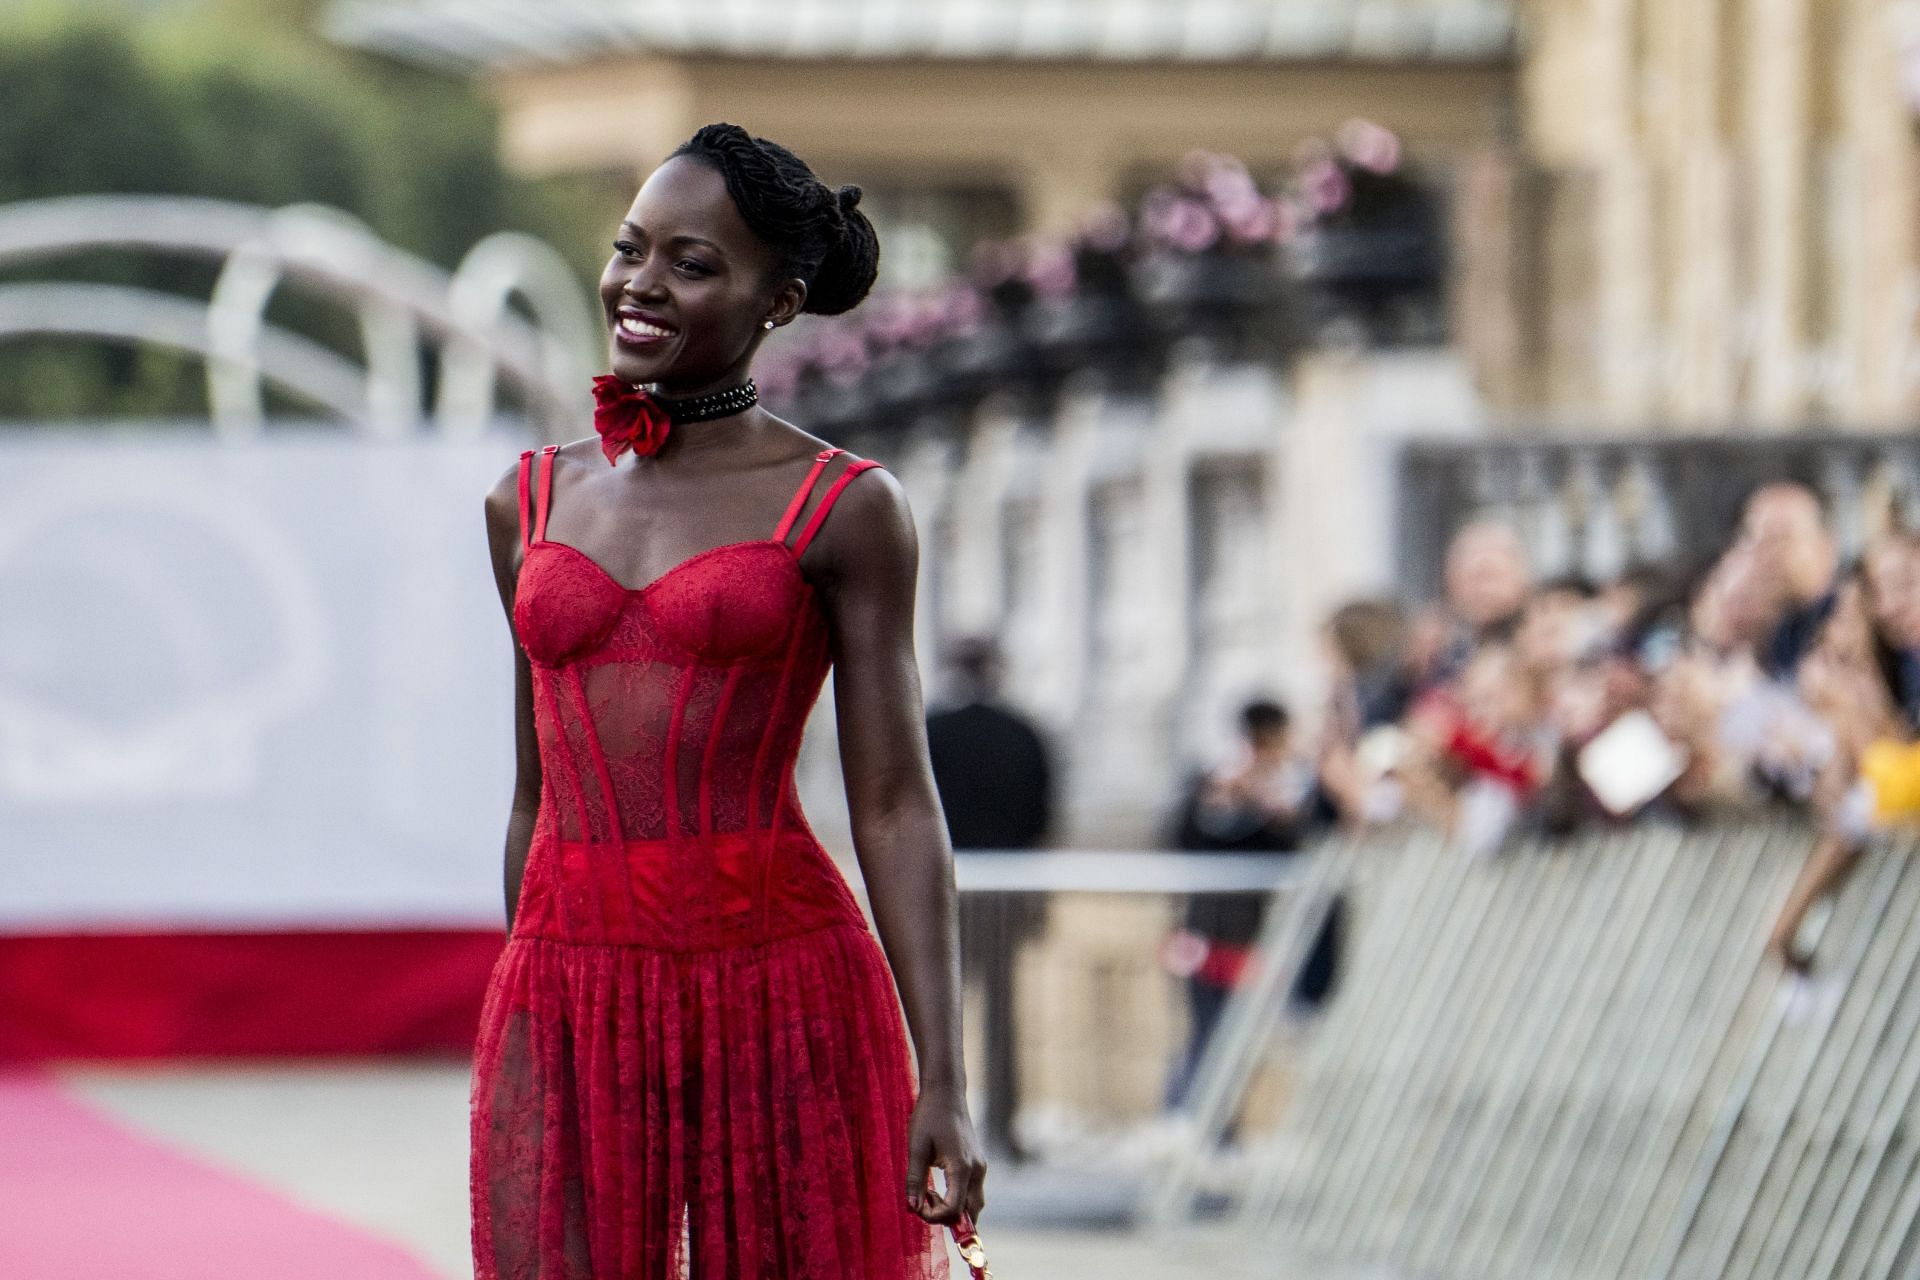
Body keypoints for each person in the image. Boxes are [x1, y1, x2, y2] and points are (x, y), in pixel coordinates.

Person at [471, 123, 984, 1279]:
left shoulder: (847, 505)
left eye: (692, 263)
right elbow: (532, 797)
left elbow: (897, 805)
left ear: (779, 301)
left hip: (781, 988)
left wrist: (943, 1074)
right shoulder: (528, 499)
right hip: (573, 986)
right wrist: (530, 1015)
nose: (640, 285)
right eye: (630, 248)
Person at [1161, 699, 1333, 1112]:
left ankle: (1213, 1125)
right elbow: (1185, 838)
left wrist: (1267, 808)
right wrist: (1222, 799)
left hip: (1255, 932)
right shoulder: (1213, 780)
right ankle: (1186, 1118)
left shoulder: (1286, 791)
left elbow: (1290, 844)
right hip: (1208, 928)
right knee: (1206, 1031)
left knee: (1239, 1037)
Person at [924, 636, 1053, 1165]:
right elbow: (1042, 812)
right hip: (1007, 885)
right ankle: (1003, 1125)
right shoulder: (1022, 731)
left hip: (942, 888)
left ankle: (929, 1126)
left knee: (932, 1009)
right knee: (1003, 1013)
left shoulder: (931, 729)